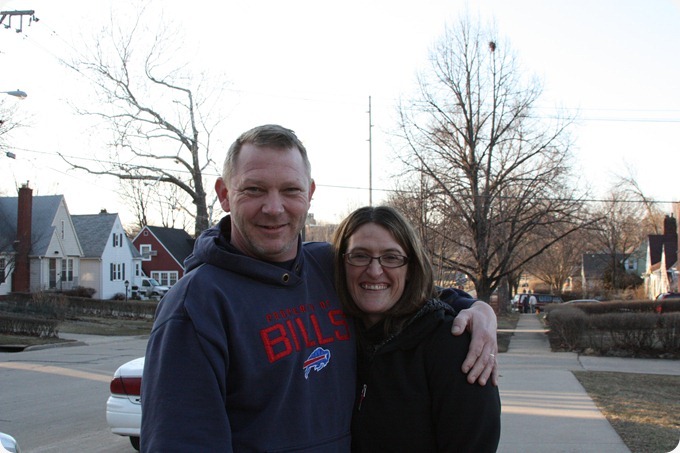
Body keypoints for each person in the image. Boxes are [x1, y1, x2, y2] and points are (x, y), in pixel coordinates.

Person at [140, 124, 498, 451]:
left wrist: (474, 308)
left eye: (290, 190)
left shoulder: (327, 266)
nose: (274, 207)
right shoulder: (195, 307)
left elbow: (401, 289)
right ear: (223, 193)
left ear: (309, 194)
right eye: (254, 189)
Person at [332, 206, 501, 452]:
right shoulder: (333, 339)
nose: (374, 271)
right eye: (359, 256)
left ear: (410, 268)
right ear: (341, 263)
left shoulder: (454, 346)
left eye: (391, 257)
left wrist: (480, 307)